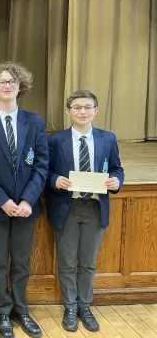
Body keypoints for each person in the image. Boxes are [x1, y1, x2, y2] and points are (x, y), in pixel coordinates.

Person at [0, 61, 48, 338]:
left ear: (21, 86)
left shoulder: (35, 122)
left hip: (26, 207)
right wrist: (2, 200)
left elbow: (42, 164)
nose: (7, 85)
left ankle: (21, 309)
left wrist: (28, 199)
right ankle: (3, 311)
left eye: (12, 81)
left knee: (21, 262)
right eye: (2, 81)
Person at [45, 90, 124, 333]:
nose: (82, 111)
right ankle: (70, 307)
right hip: (66, 208)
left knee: (88, 263)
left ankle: (85, 307)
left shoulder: (107, 139)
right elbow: (44, 172)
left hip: (94, 208)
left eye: (87, 107)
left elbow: (116, 169)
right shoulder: (56, 140)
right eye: (77, 107)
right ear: (68, 111)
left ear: (96, 111)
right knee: (67, 262)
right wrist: (55, 180)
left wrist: (115, 181)